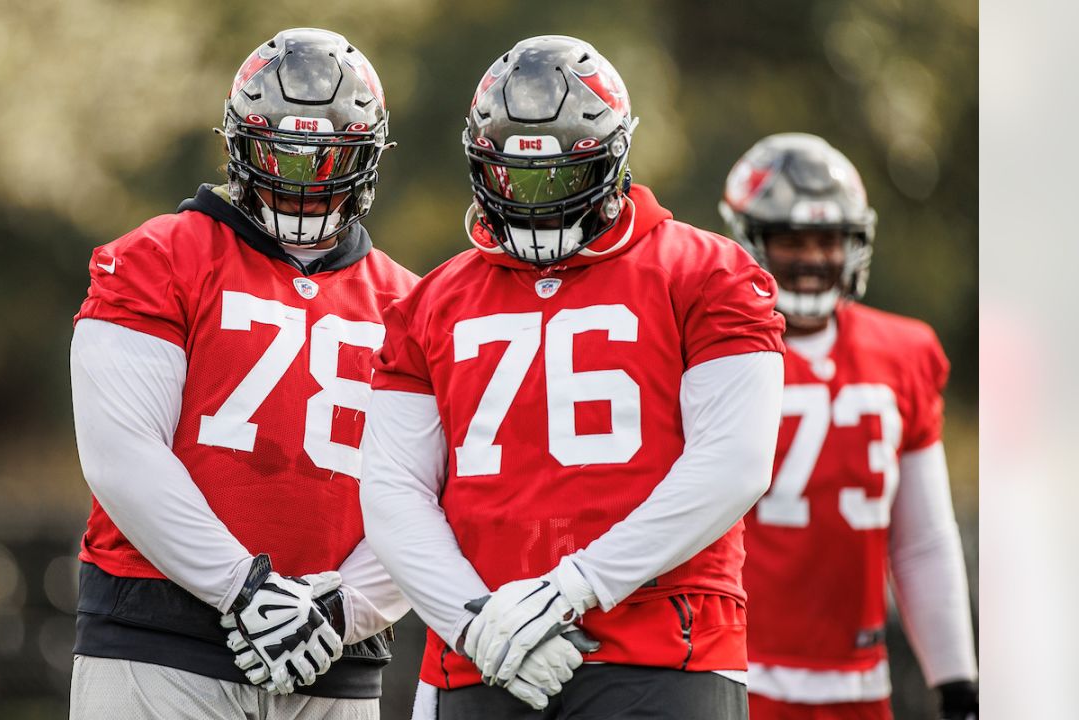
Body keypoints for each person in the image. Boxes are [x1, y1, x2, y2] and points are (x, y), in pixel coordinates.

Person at [360, 35, 787, 719]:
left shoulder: (709, 274)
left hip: (661, 651)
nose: (537, 203)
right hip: (485, 654)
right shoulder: (428, 303)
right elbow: (391, 489)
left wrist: (574, 585)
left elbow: (734, 464)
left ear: (613, 163)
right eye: (516, 178)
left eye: (562, 177)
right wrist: (471, 619)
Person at [68, 27, 416, 720]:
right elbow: (121, 455)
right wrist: (242, 588)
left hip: (332, 662)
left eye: (326, 162)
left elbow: (425, 493)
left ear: (367, 159)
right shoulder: (158, 257)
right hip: (160, 641)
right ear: (237, 147)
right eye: (279, 155)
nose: (299, 183)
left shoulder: (414, 304)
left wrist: (343, 609)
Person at [718, 133, 979, 720]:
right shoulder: (710, 349)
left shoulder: (905, 352)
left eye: (829, 240)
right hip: (732, 671)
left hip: (857, 685)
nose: (813, 258)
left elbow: (921, 540)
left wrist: (957, 679)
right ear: (750, 237)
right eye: (792, 239)